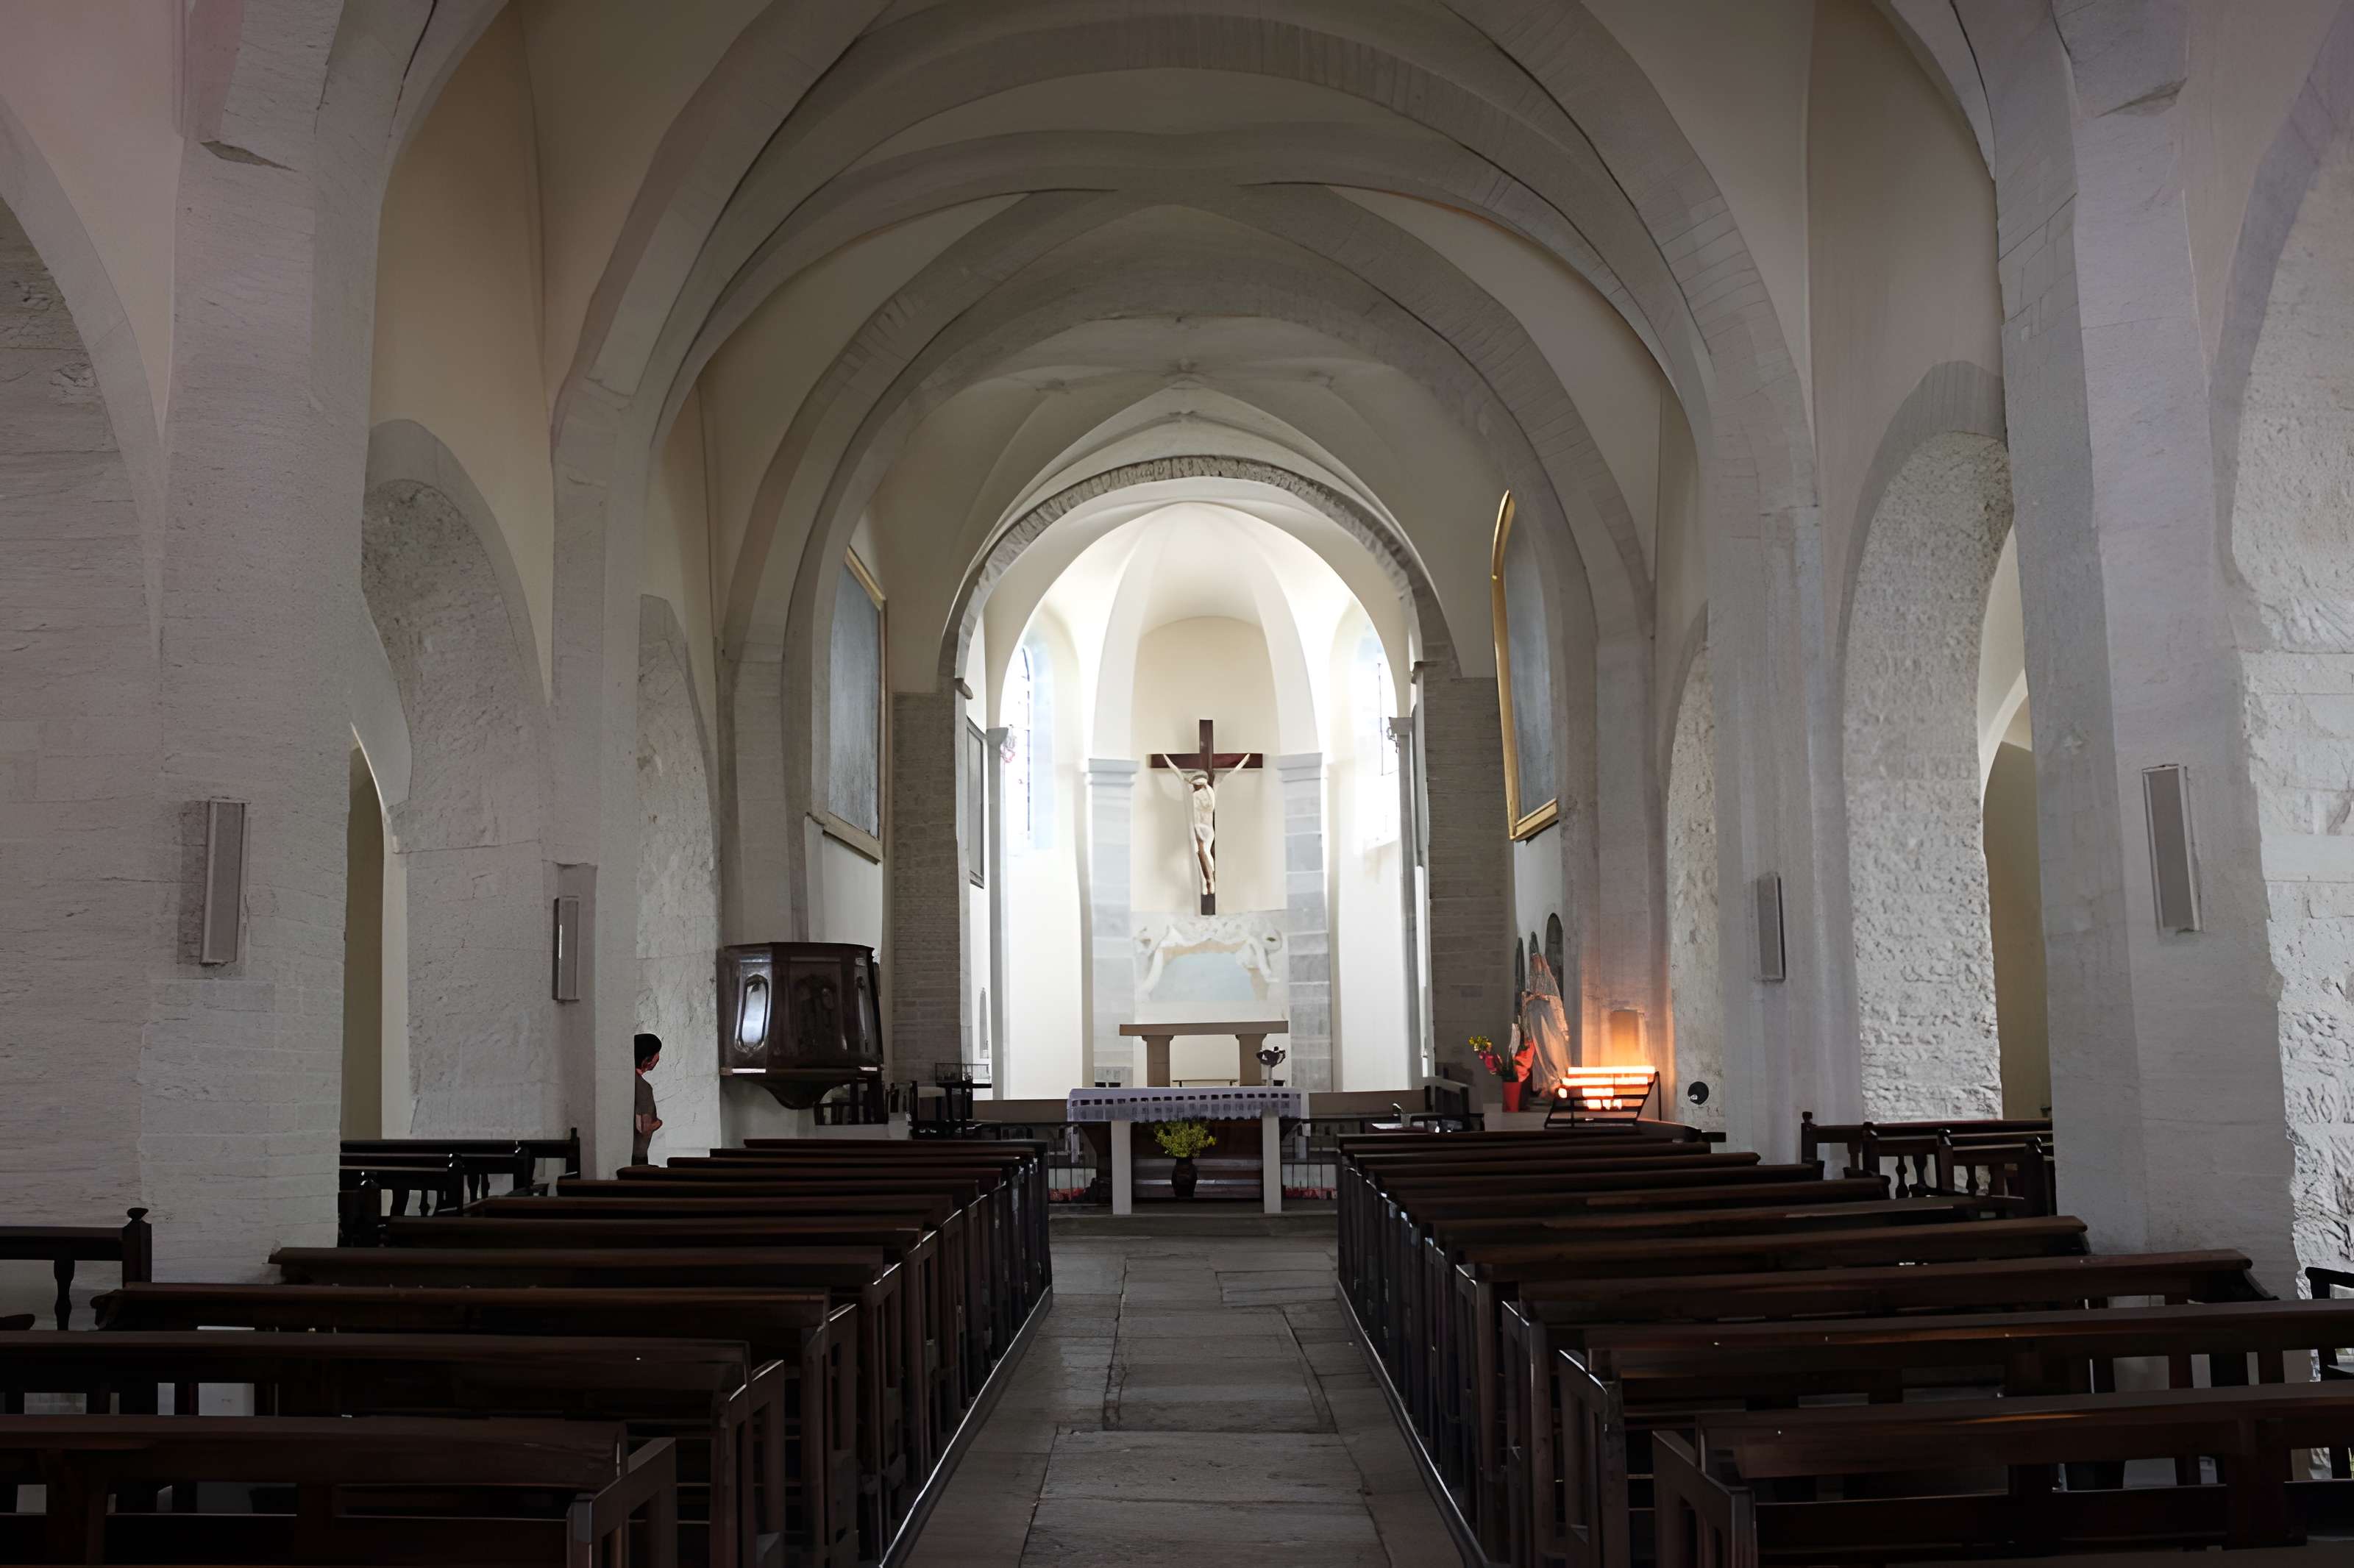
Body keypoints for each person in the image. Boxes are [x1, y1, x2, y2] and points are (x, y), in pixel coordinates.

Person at [632, 1033, 664, 1165]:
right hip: (637, 1157)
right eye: (657, 1054)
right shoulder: (643, 1088)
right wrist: (658, 1123)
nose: (659, 1058)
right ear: (648, 1060)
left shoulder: (623, 1081)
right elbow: (644, 1129)